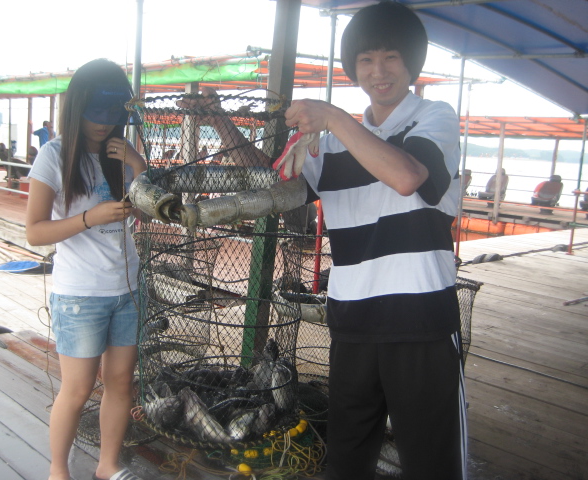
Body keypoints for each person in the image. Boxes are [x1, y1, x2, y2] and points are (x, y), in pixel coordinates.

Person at [143, 3, 466, 479]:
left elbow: (406, 176)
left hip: (420, 321)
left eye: (391, 58)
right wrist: (221, 120)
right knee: (346, 458)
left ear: (412, 63)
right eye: (366, 60)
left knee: (431, 462)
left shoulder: (434, 118)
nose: (378, 71)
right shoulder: (328, 142)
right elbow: (272, 183)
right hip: (353, 322)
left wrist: (332, 116)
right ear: (353, 67)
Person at [25, 58, 146, 480]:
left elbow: (145, 213)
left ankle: (107, 465)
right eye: (97, 111)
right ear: (77, 107)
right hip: (80, 294)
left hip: (127, 288)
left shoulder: (121, 152)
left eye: (114, 113)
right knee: (77, 391)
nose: (105, 122)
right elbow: (35, 231)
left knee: (121, 383)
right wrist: (89, 218)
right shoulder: (55, 154)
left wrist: (138, 165)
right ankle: (58, 470)